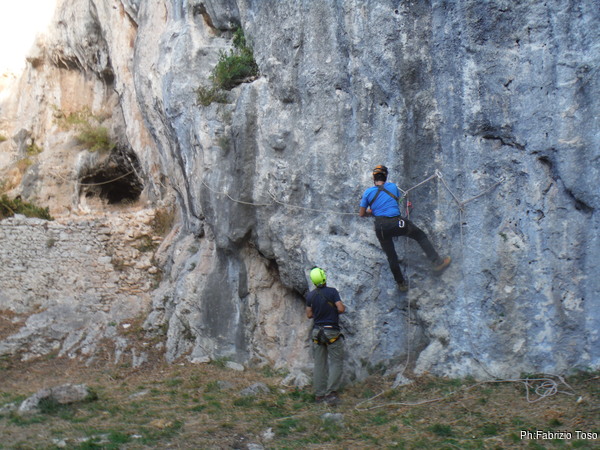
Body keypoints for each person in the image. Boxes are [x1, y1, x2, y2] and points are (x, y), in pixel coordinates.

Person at [359, 165, 451, 291]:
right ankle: (437, 262)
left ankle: (401, 283)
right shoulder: (393, 187)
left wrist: (372, 211)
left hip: (380, 227)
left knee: (391, 256)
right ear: (386, 176)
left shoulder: (368, 192)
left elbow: (362, 214)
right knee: (420, 235)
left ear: (373, 178)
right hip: (396, 222)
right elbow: (393, 202)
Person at [305, 267, 346, 405]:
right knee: (336, 361)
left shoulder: (310, 296)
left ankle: (319, 395)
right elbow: (340, 308)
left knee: (319, 363)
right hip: (331, 331)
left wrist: (319, 312)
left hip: (317, 332)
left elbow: (309, 314)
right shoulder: (332, 292)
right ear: (324, 277)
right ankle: (331, 393)